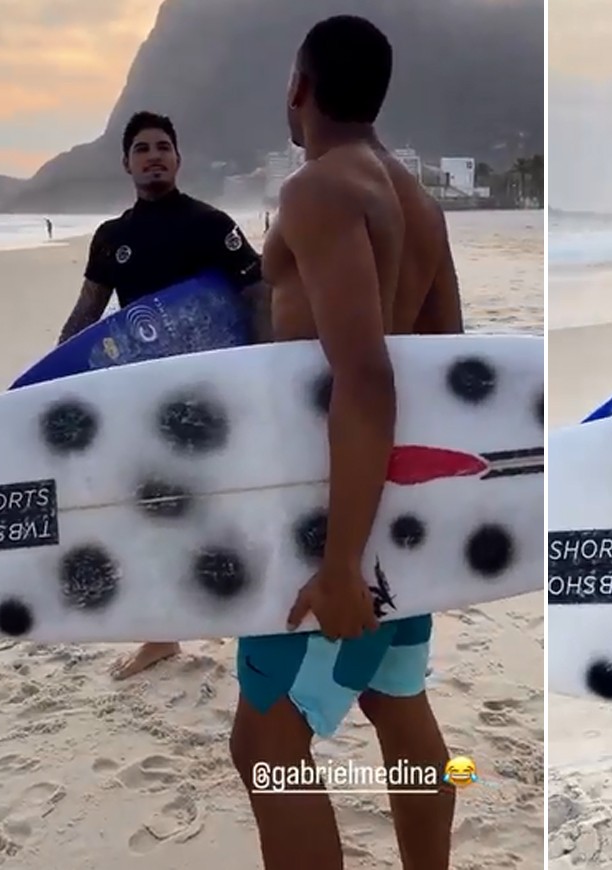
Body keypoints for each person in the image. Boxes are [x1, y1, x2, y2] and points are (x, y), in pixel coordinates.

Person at [228, 15, 460, 869]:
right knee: (399, 710)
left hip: (334, 524)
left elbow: (366, 379)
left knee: (266, 752)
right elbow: (447, 369)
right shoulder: (417, 202)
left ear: (300, 86)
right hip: (396, 513)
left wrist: (339, 564)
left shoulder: (320, 190)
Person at [57, 110, 272, 681]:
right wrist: (54, 373)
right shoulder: (112, 238)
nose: (154, 156)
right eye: (142, 149)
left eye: (163, 147)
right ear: (126, 162)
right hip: (144, 399)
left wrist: (267, 365)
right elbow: (87, 314)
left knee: (228, 505)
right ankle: (162, 636)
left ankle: (256, 621)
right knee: (152, 513)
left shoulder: (210, 224)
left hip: (214, 393)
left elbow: (256, 293)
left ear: (178, 159)